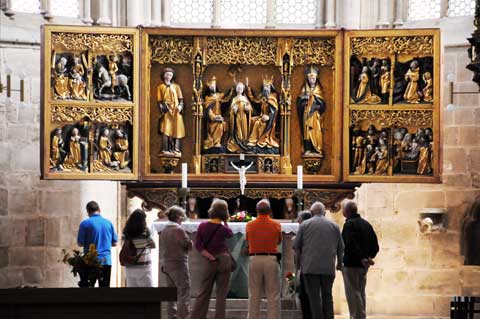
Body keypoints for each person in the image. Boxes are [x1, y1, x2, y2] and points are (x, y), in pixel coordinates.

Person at [293, 202, 344, 319]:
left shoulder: (305, 225)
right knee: (328, 297)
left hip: (310, 268)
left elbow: (297, 246)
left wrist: (299, 265)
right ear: (324, 212)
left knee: (314, 298)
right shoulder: (334, 225)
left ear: (311, 212)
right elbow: (341, 247)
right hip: (328, 268)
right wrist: (339, 263)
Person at [191, 199, 233, 319]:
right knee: (221, 293)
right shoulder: (223, 228)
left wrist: (209, 256)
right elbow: (230, 234)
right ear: (224, 212)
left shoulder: (203, 225)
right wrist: (225, 221)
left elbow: (198, 245)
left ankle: (197, 316)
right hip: (224, 259)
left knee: (204, 291)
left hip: (210, 261)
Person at [342, 200, 379, 319]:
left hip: (352, 264)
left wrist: (362, 258)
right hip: (364, 265)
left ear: (346, 211)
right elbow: (375, 245)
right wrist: (369, 257)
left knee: (353, 292)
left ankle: (357, 317)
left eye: (343, 209)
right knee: (360, 291)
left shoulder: (349, 225)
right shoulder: (366, 224)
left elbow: (350, 244)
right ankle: (361, 316)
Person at [245, 199, 282, 319]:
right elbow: (279, 241)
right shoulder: (276, 224)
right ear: (270, 211)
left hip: (255, 259)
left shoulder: (250, 225)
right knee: (273, 294)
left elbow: (248, 240)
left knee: (254, 294)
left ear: (256, 211)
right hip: (271, 259)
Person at [159, 206, 192, 319]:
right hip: (178, 263)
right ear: (178, 217)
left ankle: (171, 316)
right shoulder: (178, 230)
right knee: (183, 291)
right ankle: (183, 317)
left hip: (167, 263)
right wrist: (190, 241)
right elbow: (187, 245)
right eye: (182, 216)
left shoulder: (164, 230)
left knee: (171, 293)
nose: (183, 219)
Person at [77, 201, 118, 287]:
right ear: (99, 210)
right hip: (106, 261)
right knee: (104, 290)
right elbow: (115, 243)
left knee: (88, 290)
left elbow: (80, 243)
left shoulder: (85, 224)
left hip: (90, 261)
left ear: (88, 211)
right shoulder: (108, 223)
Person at [297, 66, 326, 156]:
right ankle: (308, 148)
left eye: (313, 78)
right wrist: (305, 98)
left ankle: (317, 148)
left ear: (316, 78)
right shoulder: (304, 89)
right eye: (310, 78)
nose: (311, 79)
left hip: (315, 114)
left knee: (316, 130)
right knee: (307, 132)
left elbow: (322, 103)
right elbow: (299, 101)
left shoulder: (318, 90)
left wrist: (315, 104)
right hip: (306, 113)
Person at [122, 209, 156, 287]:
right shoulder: (145, 233)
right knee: (147, 294)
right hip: (143, 267)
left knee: (133, 293)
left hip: (129, 265)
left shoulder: (126, 233)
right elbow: (153, 245)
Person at [246, 75, 280, 150]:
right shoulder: (262, 96)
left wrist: (268, 117)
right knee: (253, 120)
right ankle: (252, 140)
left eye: (267, 87)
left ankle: (255, 140)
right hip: (262, 116)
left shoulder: (272, 97)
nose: (266, 88)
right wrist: (248, 88)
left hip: (270, 120)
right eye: (265, 87)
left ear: (271, 87)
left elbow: (275, 110)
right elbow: (254, 99)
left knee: (258, 123)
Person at [157, 67, 185, 156]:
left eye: (170, 75)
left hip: (176, 110)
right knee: (166, 129)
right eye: (167, 74)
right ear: (164, 75)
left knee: (177, 129)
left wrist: (180, 106)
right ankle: (166, 148)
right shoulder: (160, 87)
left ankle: (176, 149)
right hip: (167, 111)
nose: (169, 76)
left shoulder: (176, 86)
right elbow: (160, 101)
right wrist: (165, 109)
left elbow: (181, 99)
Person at [203, 75, 229, 152]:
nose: (212, 88)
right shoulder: (207, 98)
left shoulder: (218, 95)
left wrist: (233, 87)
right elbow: (208, 110)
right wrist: (214, 117)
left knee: (222, 125)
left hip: (219, 116)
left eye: (213, 86)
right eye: (211, 87)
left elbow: (226, 97)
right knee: (217, 124)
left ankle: (218, 142)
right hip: (212, 120)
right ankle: (214, 143)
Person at [294, 211, 312, 319]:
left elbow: (296, 246)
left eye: (299, 218)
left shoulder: (304, 229)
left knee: (304, 294)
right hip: (310, 264)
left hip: (306, 265)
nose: (297, 220)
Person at [227, 82, 253, 153]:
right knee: (238, 131)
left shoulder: (245, 98)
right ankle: (238, 146)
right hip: (237, 117)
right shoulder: (234, 99)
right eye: (238, 88)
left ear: (243, 89)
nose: (239, 89)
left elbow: (250, 108)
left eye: (241, 88)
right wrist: (233, 110)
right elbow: (231, 109)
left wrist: (248, 109)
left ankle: (244, 145)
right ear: (236, 89)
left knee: (244, 131)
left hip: (244, 116)